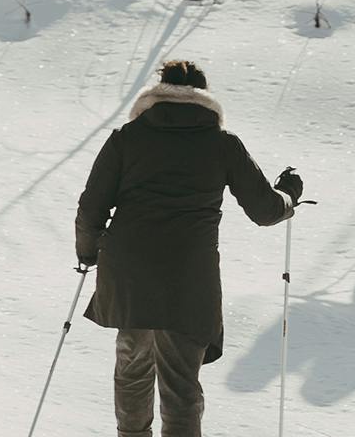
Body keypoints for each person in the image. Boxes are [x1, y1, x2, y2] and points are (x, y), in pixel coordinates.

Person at [75, 60, 304, 437]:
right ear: (204, 99)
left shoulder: (127, 137)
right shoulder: (222, 143)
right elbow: (265, 211)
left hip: (128, 270)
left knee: (132, 367)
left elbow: (91, 207)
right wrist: (289, 196)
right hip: (188, 275)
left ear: (157, 95)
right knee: (180, 381)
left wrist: (87, 253)